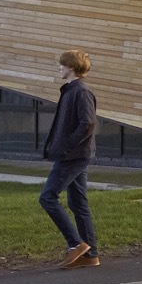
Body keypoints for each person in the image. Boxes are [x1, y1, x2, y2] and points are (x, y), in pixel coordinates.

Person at [39, 49, 101, 268]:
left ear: (72, 67)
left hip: (73, 156)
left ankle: (76, 244)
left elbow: (88, 124)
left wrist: (65, 147)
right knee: (77, 203)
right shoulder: (71, 90)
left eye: (62, 65)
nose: (60, 67)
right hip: (74, 154)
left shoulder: (81, 92)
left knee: (47, 197)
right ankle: (90, 255)